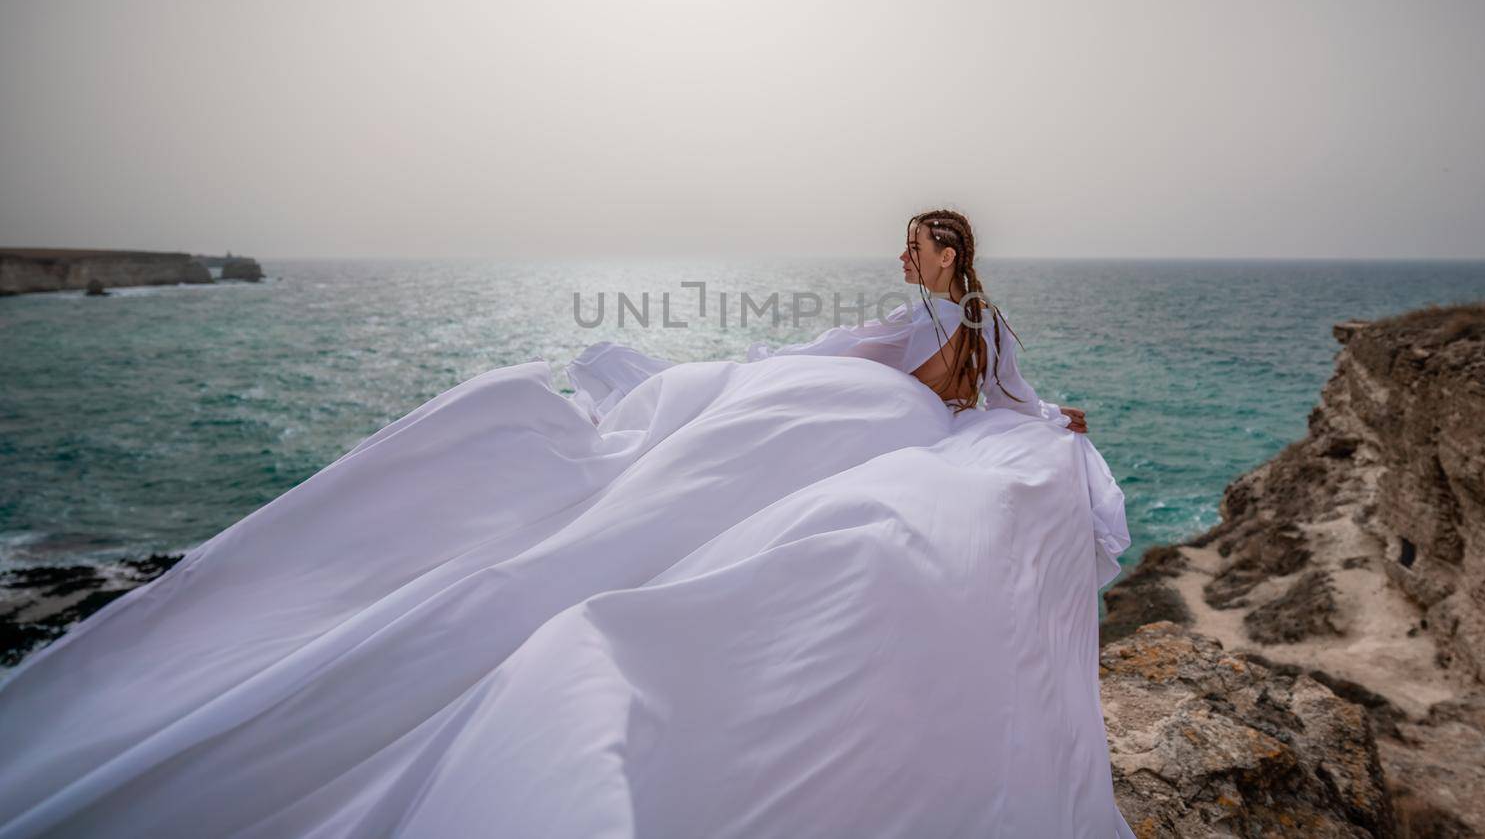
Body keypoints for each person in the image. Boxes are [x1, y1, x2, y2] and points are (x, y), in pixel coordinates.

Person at [0, 209, 1134, 838]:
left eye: (918, 245)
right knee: (736, 441)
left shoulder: (974, 318)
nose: (905, 257)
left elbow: (1002, 398)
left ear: (952, 251)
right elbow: (839, 357)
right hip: (849, 412)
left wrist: (1049, 415)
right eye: (903, 246)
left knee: (878, 492)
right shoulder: (910, 314)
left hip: (895, 428)